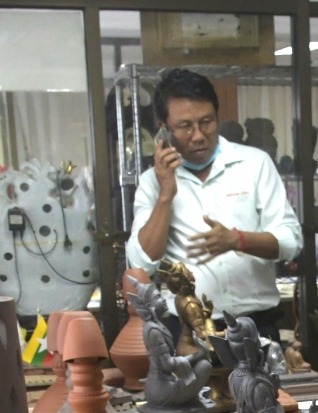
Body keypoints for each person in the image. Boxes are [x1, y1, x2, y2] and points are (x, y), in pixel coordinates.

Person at [127, 69, 301, 338]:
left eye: (206, 122)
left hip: (256, 326)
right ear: (164, 128)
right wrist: (165, 195)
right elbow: (142, 263)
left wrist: (238, 240)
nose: (198, 135)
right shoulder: (152, 182)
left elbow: (291, 241)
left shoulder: (254, 164)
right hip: (188, 331)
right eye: (185, 126)